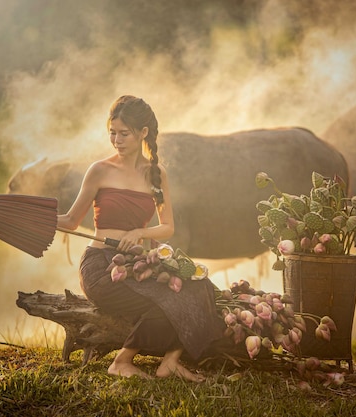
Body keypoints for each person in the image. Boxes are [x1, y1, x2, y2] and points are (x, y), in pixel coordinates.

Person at [57, 95, 223, 381]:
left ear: (143, 133)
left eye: (124, 133)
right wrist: (35, 216)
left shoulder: (156, 175)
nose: (116, 140)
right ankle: (122, 361)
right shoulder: (99, 171)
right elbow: (71, 220)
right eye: (112, 132)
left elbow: (167, 227)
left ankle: (170, 361)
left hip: (135, 263)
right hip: (101, 267)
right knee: (166, 301)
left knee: (201, 288)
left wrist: (139, 233)